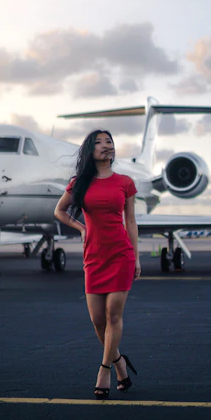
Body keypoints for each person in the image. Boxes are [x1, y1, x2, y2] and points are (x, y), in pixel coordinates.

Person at [54, 129, 141, 399]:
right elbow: (59, 211)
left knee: (113, 315)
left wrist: (136, 256)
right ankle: (120, 364)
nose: (106, 146)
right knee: (97, 320)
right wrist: (80, 228)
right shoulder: (79, 182)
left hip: (120, 254)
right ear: (90, 151)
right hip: (94, 257)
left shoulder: (125, 182)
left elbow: (131, 221)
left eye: (110, 142)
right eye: (100, 143)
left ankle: (104, 370)